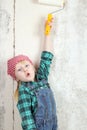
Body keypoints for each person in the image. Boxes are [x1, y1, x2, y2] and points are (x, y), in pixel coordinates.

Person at [7, 18, 57, 130]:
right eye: (19, 70)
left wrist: (47, 33)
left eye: (26, 65)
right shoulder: (24, 91)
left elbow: (47, 57)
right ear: (16, 78)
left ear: (33, 68)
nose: (25, 70)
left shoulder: (42, 78)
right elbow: (27, 121)